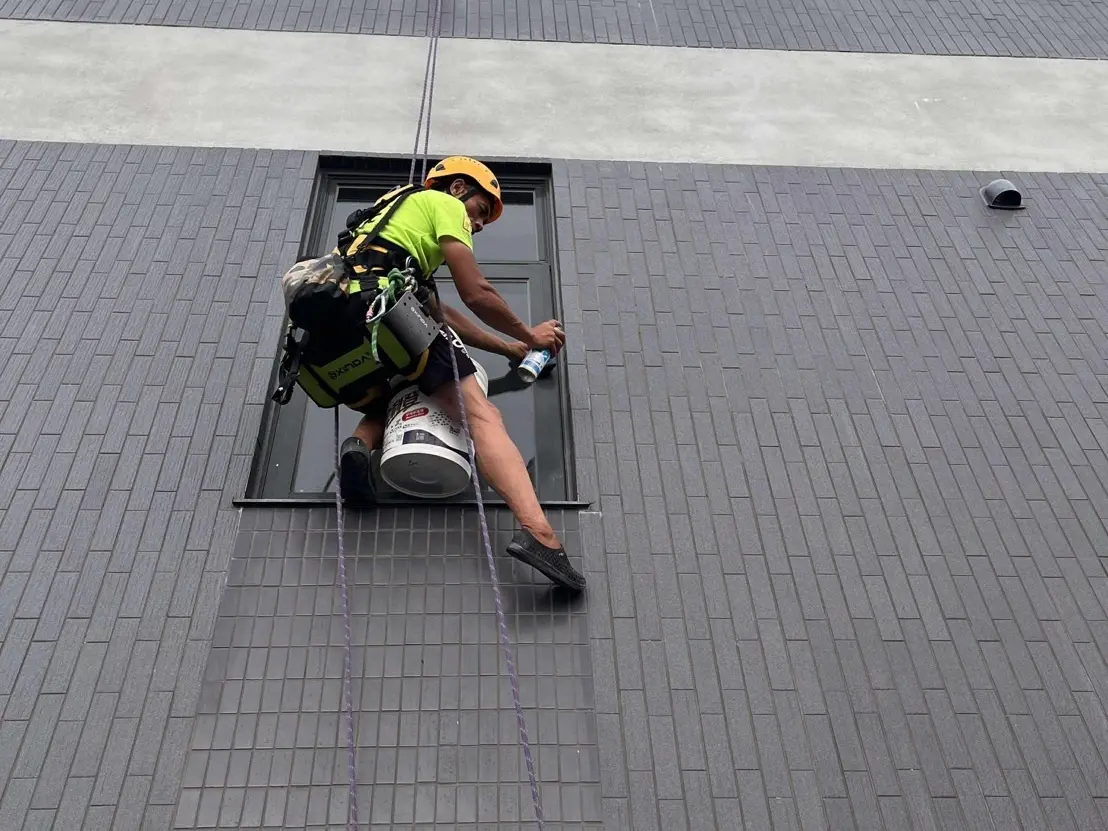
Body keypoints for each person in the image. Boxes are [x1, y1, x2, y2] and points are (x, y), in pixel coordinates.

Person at [326, 156, 585, 592]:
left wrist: (508, 346)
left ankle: (359, 445)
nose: (479, 225)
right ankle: (543, 539)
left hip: (342, 322)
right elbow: (476, 293)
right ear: (460, 188)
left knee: (398, 391)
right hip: (387, 314)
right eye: (481, 210)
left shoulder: (385, 220)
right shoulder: (442, 204)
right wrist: (531, 334)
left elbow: (439, 313)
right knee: (483, 417)